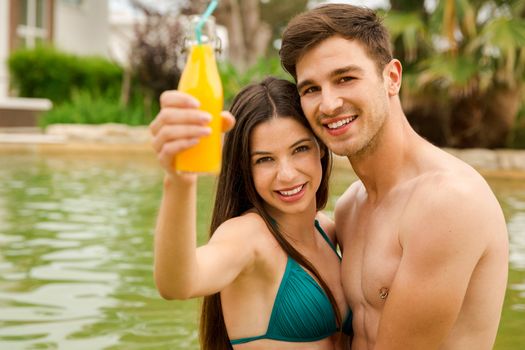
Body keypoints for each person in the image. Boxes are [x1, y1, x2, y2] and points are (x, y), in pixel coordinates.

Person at [279, 4, 509, 350]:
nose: (328, 105)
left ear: (392, 77)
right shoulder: (351, 207)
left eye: (345, 78)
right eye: (311, 89)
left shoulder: (448, 200)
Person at [150, 77, 352, 349]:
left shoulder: (326, 229)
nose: (287, 174)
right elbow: (178, 283)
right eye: (264, 159)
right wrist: (180, 181)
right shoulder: (248, 237)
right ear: (245, 168)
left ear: (321, 149)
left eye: (300, 149)